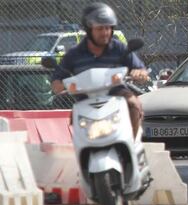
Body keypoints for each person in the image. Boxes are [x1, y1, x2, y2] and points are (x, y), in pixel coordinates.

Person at [51, 2, 149, 140]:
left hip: (117, 95)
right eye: (100, 28)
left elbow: (140, 69)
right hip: (85, 99)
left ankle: (131, 146)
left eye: (108, 28)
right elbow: (57, 79)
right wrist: (58, 85)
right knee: (75, 119)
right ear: (89, 29)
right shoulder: (74, 54)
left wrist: (140, 73)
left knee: (134, 103)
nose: (105, 32)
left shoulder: (119, 48)